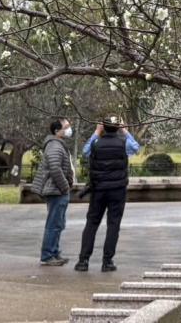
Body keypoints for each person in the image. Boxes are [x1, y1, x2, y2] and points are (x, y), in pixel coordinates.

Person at [74, 115, 140, 272]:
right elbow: (136, 148)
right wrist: (125, 132)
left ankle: (83, 261)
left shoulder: (96, 143)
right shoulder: (124, 143)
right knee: (113, 224)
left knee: (92, 223)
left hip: (98, 190)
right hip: (117, 190)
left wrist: (96, 132)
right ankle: (107, 261)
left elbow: (85, 151)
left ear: (102, 126)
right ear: (118, 127)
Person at [32, 117, 75, 266]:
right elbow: (55, 168)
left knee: (58, 223)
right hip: (56, 191)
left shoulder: (57, 144)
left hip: (57, 191)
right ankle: (48, 255)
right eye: (66, 127)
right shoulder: (54, 146)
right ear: (57, 131)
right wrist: (65, 187)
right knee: (54, 224)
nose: (69, 129)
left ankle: (54, 252)